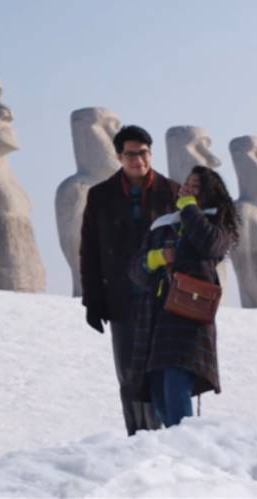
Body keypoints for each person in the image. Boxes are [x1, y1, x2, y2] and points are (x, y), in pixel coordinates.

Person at [80, 125, 181, 435]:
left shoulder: (173, 192)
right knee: (129, 373)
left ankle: (167, 436)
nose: (138, 159)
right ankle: (137, 437)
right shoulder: (100, 196)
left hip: (164, 297)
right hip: (123, 297)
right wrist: (93, 301)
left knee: (164, 368)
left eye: (143, 152)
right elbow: (90, 250)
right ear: (119, 156)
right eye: (130, 154)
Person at [126, 164, 238, 428]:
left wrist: (189, 208)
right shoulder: (163, 224)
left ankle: (186, 445)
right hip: (157, 314)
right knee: (157, 390)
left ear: (209, 194)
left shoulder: (215, 223)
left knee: (177, 381)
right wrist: (155, 258)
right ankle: (175, 445)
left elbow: (210, 245)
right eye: (186, 184)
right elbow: (135, 270)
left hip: (189, 315)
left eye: (195, 188)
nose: (187, 189)